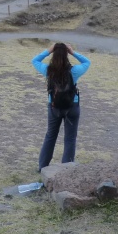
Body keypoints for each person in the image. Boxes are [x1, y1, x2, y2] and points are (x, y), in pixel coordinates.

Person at [31, 42, 91, 170]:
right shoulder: (74, 71)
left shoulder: (48, 71)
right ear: (66, 55)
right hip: (72, 107)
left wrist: (49, 50)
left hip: (54, 107)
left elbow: (35, 60)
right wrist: (73, 52)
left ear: (54, 55)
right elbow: (87, 62)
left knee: (50, 136)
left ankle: (43, 167)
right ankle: (66, 169)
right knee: (70, 139)